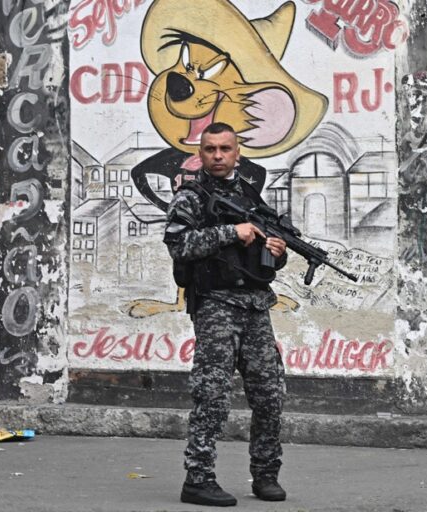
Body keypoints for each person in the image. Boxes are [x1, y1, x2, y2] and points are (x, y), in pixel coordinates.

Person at [163, 122, 288, 507]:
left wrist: (276, 251)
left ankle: (265, 476)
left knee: (270, 394)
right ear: (200, 153)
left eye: (225, 149)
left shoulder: (251, 196)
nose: (218, 156)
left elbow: (263, 261)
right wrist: (231, 233)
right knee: (212, 395)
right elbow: (178, 244)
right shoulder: (190, 196)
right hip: (216, 304)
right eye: (210, 149)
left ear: (238, 153)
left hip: (254, 305)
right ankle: (198, 479)